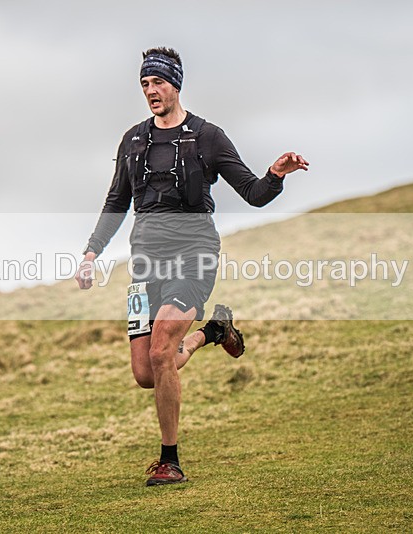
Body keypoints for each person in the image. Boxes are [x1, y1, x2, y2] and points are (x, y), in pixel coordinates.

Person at [76, 47, 308, 486]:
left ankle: (170, 460)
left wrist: (276, 174)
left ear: (175, 84)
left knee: (163, 348)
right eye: (144, 84)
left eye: (158, 82)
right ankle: (214, 332)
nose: (150, 91)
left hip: (194, 254)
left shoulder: (208, 138)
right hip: (146, 261)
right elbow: (115, 201)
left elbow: (253, 193)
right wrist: (91, 253)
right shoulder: (133, 140)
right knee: (147, 372)